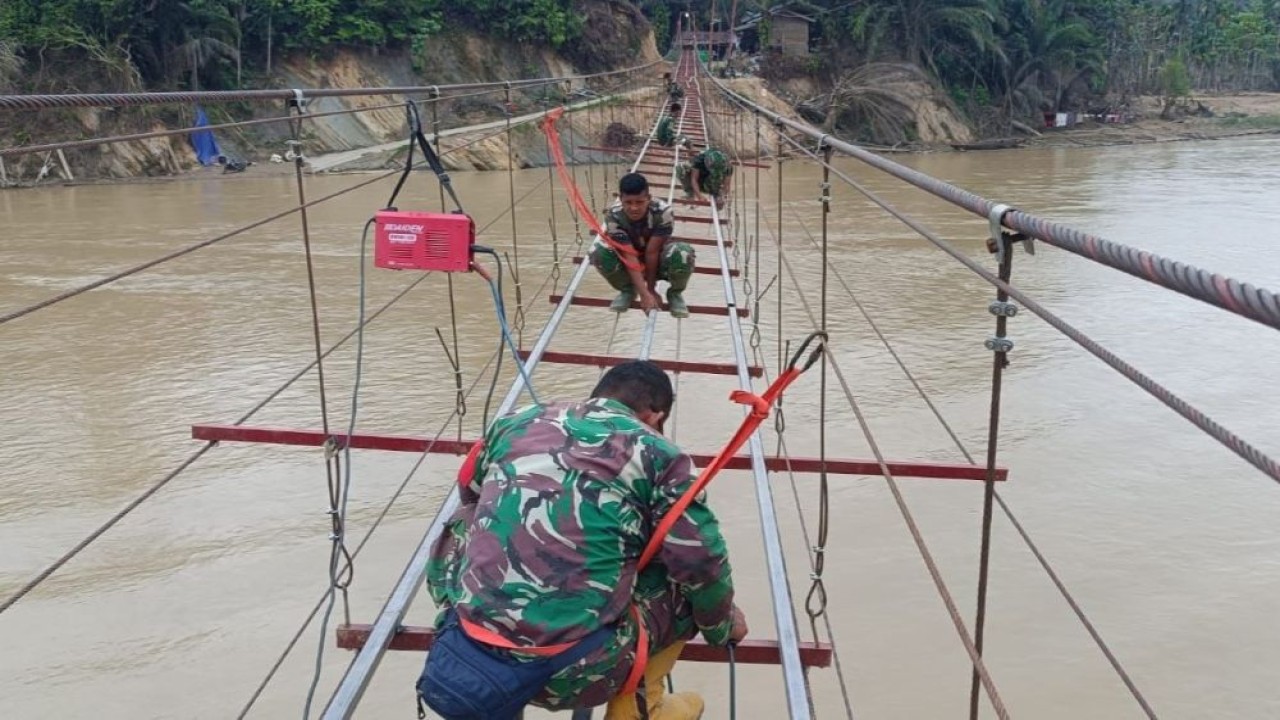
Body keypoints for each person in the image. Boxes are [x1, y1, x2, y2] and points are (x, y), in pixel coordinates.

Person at [423, 361, 747, 720]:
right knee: (681, 581)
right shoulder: (661, 454)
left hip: (469, 653)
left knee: (469, 518)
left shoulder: (517, 420)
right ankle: (641, 710)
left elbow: (470, 489)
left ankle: (473, 618)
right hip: (579, 672)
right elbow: (699, 560)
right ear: (655, 414)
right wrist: (720, 625)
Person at [590, 172, 695, 318]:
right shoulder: (614, 216)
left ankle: (675, 293)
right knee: (598, 252)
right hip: (630, 261)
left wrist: (650, 290)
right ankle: (628, 289)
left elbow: (652, 251)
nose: (634, 208)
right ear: (621, 199)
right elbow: (628, 254)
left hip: (658, 259)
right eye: (628, 202)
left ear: (648, 199)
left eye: (639, 202)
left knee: (683, 252)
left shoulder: (663, 212)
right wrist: (643, 293)